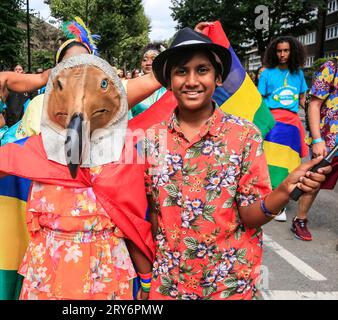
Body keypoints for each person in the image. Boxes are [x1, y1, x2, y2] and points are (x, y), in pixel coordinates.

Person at [0, 54, 155, 300]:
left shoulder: (124, 154)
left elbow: (132, 220)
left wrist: (146, 278)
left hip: (106, 272)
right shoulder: (37, 148)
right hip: (47, 271)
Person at [141, 27, 331, 300]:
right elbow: (155, 216)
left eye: (202, 70)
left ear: (218, 78)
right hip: (171, 283)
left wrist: (286, 189)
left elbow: (251, 216)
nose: (191, 80)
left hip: (229, 283)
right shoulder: (151, 139)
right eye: (181, 71)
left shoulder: (243, 136)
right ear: (169, 81)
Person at [15, 17, 164, 139]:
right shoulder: (39, 104)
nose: (78, 70)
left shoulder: (108, 96)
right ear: (57, 68)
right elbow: (24, 154)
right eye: (70, 63)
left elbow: (154, 78)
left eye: (85, 63)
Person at [258, 36, 309, 222]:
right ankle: (270, 200)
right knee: (270, 162)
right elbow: (260, 100)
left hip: (293, 125)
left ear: (292, 51)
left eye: (286, 50)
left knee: (290, 164)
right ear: (274, 52)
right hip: (273, 123)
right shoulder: (266, 73)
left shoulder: (299, 74)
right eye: (279, 51)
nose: (282, 54)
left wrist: (314, 121)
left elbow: (303, 99)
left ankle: (281, 203)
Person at [294, 57, 338, 241]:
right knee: (315, 180)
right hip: (329, 140)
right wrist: (318, 139)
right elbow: (314, 104)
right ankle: (300, 219)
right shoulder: (332, 67)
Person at [128, 42, 167, 119]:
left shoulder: (170, 88)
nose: (148, 63)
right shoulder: (131, 88)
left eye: (154, 59)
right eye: (145, 60)